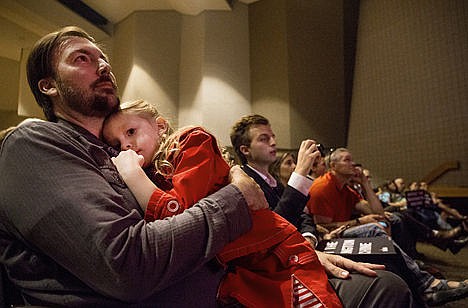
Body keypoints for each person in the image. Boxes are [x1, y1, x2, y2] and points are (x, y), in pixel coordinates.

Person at [0, 26, 270, 307]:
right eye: (82, 58)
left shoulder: (120, 153)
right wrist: (235, 198)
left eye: (103, 58)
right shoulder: (34, 144)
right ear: (49, 85)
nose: (103, 66)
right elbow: (126, 264)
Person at [102, 99, 341, 307]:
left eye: (131, 132)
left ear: (161, 126)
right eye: (116, 143)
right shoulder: (152, 172)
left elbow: (182, 222)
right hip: (241, 273)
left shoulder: (191, 140)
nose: (125, 145)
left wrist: (133, 176)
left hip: (277, 258)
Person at [230, 114, 415, 307]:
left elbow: (304, 216)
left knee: (384, 257)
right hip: (281, 267)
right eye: (264, 139)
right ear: (245, 150)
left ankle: (425, 288)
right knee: (386, 276)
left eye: (273, 136)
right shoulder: (245, 184)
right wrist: (300, 172)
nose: (274, 142)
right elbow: (273, 230)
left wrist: (309, 236)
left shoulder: (273, 182)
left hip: (308, 246)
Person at [306, 147, 468, 306]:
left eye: (352, 160)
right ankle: (426, 283)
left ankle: (417, 268)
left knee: (393, 220)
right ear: (333, 166)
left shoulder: (345, 189)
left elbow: (377, 211)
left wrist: (364, 183)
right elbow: (322, 226)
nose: (353, 164)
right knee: (375, 228)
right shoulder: (322, 187)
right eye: (347, 160)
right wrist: (359, 222)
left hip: (345, 229)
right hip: (331, 237)